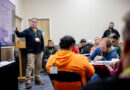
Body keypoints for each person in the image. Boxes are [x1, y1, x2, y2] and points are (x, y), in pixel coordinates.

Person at [82, 12, 130, 90]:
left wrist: (102, 59)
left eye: (103, 48)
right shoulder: (98, 48)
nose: (101, 49)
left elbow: (113, 68)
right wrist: (88, 59)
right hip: (98, 72)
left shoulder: (113, 52)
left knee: (93, 80)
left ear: (108, 47)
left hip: (106, 75)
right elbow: (90, 57)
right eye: (100, 47)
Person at [14, 18, 44, 89]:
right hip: (31, 52)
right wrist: (16, 30)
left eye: (35, 22)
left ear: (37, 23)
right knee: (30, 66)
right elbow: (19, 35)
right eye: (32, 22)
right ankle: (28, 82)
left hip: (39, 52)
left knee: (38, 66)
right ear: (31, 23)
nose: (33, 23)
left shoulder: (39, 31)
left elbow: (42, 41)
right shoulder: (27, 31)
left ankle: (37, 79)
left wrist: (42, 49)